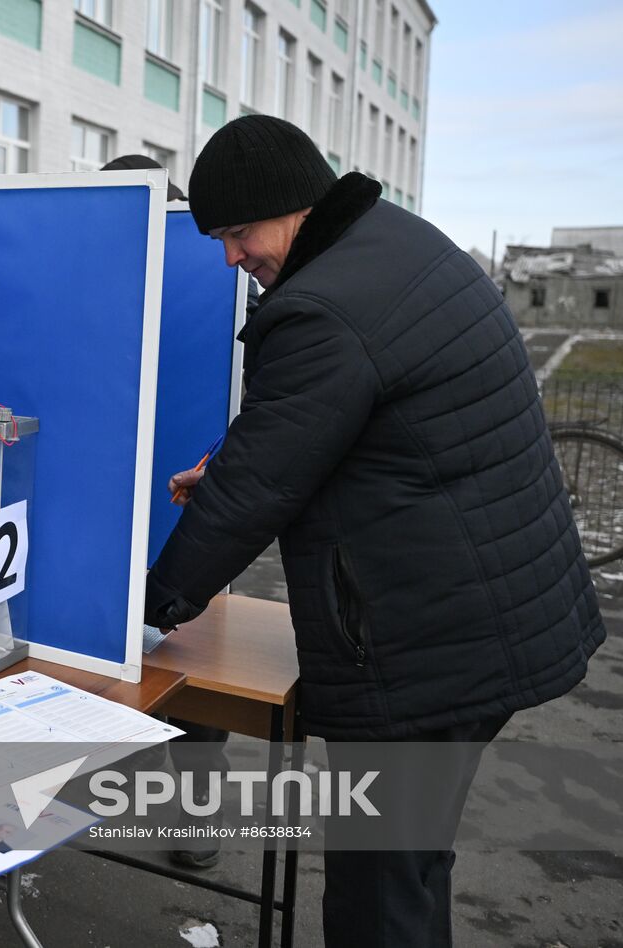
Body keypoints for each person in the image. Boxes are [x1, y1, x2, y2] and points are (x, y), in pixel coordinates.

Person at [144, 115, 604, 946]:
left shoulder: (319, 306)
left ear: (291, 207)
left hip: (433, 640)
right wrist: (229, 467)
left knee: (378, 888)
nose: (229, 258)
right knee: (409, 862)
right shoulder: (390, 246)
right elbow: (351, 422)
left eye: (238, 233)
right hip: (486, 608)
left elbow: (263, 482)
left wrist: (148, 604)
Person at [102, 153, 230, 870]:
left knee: (201, 683)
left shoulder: (219, 275)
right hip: (125, 505)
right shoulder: (89, 270)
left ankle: (197, 817)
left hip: (187, 510)